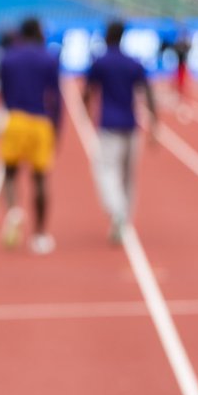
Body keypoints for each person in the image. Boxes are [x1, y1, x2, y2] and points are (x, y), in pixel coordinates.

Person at [83, 21, 157, 244]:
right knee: (128, 176)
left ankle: (117, 212)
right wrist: (154, 124)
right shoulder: (133, 62)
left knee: (106, 171)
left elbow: (87, 91)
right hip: (131, 124)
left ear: (107, 36)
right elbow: (148, 92)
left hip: (109, 125)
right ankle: (124, 217)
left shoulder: (100, 62)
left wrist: (86, 111)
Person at [0, 17, 62, 255]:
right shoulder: (48, 58)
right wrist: (57, 129)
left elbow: (2, 92)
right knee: (40, 178)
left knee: (9, 173)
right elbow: (55, 97)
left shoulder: (8, 57)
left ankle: (14, 210)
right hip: (40, 121)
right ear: (37, 32)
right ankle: (40, 235)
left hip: (15, 119)